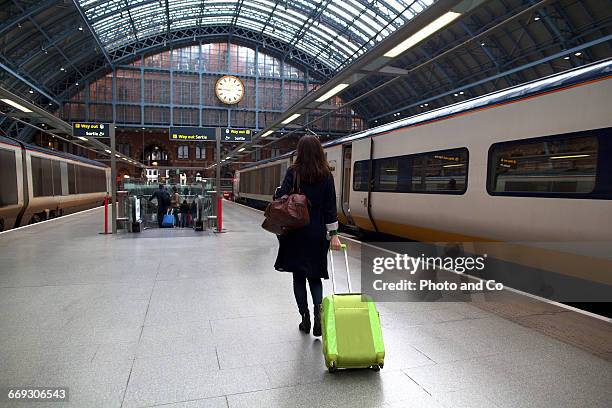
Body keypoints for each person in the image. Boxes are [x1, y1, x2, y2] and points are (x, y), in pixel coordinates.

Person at [274, 135, 342, 337]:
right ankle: (319, 315)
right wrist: (334, 234)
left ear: (300, 152)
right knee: (315, 277)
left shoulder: (293, 172)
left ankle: (305, 319)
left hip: (295, 231)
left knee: (298, 278)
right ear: (320, 151)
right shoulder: (326, 175)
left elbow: (280, 197)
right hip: (317, 233)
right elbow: (330, 208)